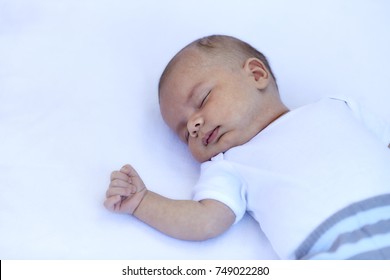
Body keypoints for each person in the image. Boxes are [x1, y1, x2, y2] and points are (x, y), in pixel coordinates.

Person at [104, 35, 390, 259]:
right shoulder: (230, 165)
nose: (193, 125)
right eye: (184, 133)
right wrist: (142, 202)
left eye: (202, 99)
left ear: (256, 74)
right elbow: (205, 221)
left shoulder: (338, 107)